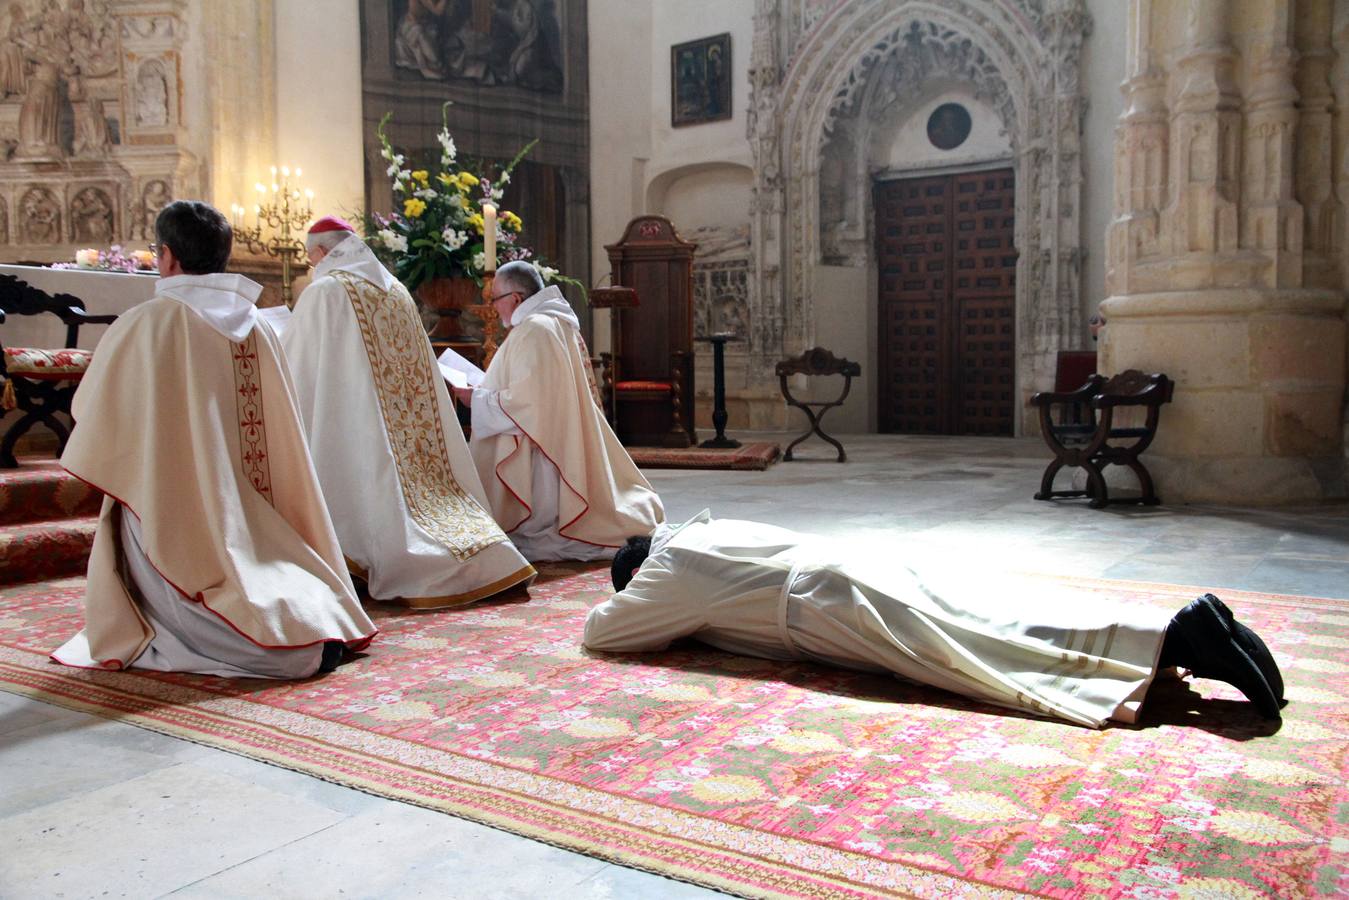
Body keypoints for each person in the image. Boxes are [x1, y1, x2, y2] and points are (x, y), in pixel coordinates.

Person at [52, 201, 377, 679]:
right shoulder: (258, 326)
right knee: (263, 559)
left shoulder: (150, 323)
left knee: (170, 542)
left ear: (166, 256)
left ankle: (279, 646)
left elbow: (93, 414)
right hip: (259, 502)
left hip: (179, 501)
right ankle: (315, 623)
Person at [584, 512, 1286, 728]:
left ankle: (1172, 638)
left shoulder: (670, 577)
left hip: (827, 608)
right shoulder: (703, 530)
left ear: (643, 573)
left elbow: (604, 633)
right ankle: (1169, 634)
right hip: (850, 562)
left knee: (974, 655)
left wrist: (646, 602)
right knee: (992, 612)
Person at [281, 216, 536, 608]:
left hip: (358, 420)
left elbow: (296, 367)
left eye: (311, 256)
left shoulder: (327, 291)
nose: (313, 264)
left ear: (320, 252)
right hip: (408, 424)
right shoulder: (394, 289)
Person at [453, 260, 664, 562]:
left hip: (543, 456)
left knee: (536, 535)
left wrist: (478, 400)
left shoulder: (535, 330)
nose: (493, 308)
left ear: (515, 298)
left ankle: (546, 524)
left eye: (495, 299)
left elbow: (528, 405)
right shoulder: (550, 322)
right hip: (554, 440)